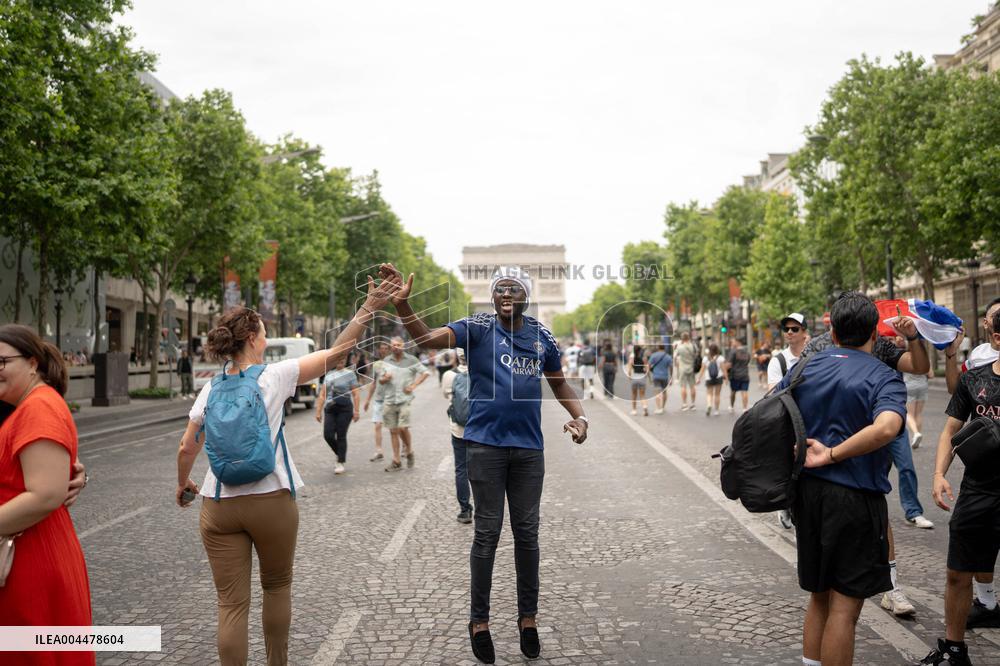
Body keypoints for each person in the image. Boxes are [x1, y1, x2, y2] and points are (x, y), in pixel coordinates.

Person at [175, 275, 401, 666]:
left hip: (218, 502)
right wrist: (368, 308)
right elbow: (337, 353)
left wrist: (185, 485)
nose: (265, 340)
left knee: (230, 604)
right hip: (271, 498)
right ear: (251, 339)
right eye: (262, 333)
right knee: (277, 587)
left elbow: (186, 446)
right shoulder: (274, 376)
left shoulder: (210, 389)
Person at [384, 263, 587, 664]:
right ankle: (480, 623)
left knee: (528, 535)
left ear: (526, 295)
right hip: (484, 447)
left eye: (513, 289)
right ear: (491, 297)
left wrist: (580, 416)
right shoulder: (476, 328)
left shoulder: (542, 335)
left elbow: (559, 382)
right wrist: (404, 308)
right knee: (487, 534)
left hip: (529, 450)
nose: (505, 295)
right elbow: (426, 340)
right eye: (499, 289)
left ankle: (528, 619)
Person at [774, 292, 907, 666]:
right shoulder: (883, 375)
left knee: (819, 596)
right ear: (875, 335)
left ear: (831, 332)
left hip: (807, 496)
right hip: (855, 499)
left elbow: (769, 413)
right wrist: (832, 453)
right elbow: (886, 429)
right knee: (845, 609)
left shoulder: (804, 368)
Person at [0, 325, 92, 666]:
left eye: (1, 361)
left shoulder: (36, 406)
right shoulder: (27, 403)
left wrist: (73, 473)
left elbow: (46, 492)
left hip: (26, 552)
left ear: (33, 363)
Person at [921, 309, 1000, 666]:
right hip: (978, 492)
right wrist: (939, 474)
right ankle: (954, 651)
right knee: (957, 573)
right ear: (996, 338)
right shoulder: (975, 380)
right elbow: (950, 432)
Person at [377, 336, 430, 472]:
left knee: (402, 428)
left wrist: (413, 385)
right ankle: (396, 460)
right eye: (393, 345)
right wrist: (385, 378)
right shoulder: (387, 361)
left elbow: (425, 372)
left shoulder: (411, 360)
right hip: (389, 400)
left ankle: (409, 451)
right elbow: (380, 381)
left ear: (403, 346)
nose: (395, 347)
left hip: (404, 399)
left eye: (398, 345)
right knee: (393, 431)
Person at [315, 355, 361, 475]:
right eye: (338, 359)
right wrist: (318, 410)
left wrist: (356, 411)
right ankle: (339, 453)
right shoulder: (329, 375)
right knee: (328, 435)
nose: (340, 361)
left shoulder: (350, 374)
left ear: (345, 360)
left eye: (342, 359)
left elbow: (356, 394)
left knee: (341, 435)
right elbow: (322, 394)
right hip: (330, 408)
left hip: (345, 408)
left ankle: (340, 462)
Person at [442, 348, 472, 524]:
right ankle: (486, 509)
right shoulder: (484, 372)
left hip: (458, 429)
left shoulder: (449, 375)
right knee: (484, 469)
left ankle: (465, 510)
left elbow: (446, 396)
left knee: (461, 469)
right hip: (481, 430)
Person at [899, 337, 931, 450]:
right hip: (922, 385)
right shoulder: (924, 357)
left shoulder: (905, 356)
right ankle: (917, 437)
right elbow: (931, 374)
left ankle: (916, 433)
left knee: (908, 413)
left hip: (909, 386)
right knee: (918, 414)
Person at [363, 341, 391, 462]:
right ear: (379, 350)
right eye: (382, 348)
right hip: (379, 400)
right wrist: (368, 400)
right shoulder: (376, 365)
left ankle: (404, 447)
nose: (384, 350)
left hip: (391, 399)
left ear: (389, 350)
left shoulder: (394, 363)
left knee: (395, 427)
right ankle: (379, 450)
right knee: (378, 425)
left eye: (386, 348)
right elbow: (373, 383)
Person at [767, 313, 808, 392]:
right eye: (786, 329)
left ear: (804, 333)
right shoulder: (777, 361)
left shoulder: (815, 358)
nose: (789, 332)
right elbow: (773, 395)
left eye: (795, 329)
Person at [724, 337, 751, 413]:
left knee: (733, 391)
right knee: (744, 391)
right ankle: (745, 408)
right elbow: (748, 361)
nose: (733, 343)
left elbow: (728, 364)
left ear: (738, 342)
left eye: (734, 342)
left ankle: (731, 406)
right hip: (745, 375)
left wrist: (724, 372)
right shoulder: (747, 352)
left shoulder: (733, 352)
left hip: (735, 375)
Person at [673, 332, 698, 411]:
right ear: (689, 337)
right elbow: (696, 354)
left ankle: (684, 404)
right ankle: (693, 404)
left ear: (682, 339)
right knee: (692, 386)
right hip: (692, 367)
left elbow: (675, 356)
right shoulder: (693, 346)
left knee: (683, 386)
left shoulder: (680, 347)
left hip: (682, 368)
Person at [698, 342, 724, 416]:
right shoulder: (720, 358)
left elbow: (702, 369)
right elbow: (723, 368)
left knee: (709, 394)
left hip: (708, 378)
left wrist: (698, 378)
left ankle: (709, 405)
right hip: (718, 377)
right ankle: (716, 411)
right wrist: (726, 378)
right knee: (717, 394)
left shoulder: (706, 358)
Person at [647, 344, 672, 414]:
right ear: (664, 348)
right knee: (664, 392)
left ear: (658, 348)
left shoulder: (654, 355)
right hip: (665, 377)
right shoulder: (668, 356)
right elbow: (671, 367)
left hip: (656, 377)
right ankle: (663, 407)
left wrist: (649, 377)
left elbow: (648, 366)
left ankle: (658, 408)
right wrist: (671, 377)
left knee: (657, 392)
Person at [627, 344, 649, 416]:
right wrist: (646, 375)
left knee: (634, 395)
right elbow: (647, 369)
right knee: (642, 395)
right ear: (640, 351)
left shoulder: (632, 359)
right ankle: (645, 407)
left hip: (635, 377)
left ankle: (634, 410)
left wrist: (629, 377)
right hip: (642, 377)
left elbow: (629, 370)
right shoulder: (644, 358)